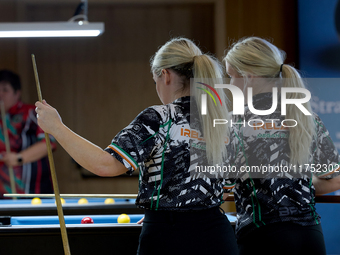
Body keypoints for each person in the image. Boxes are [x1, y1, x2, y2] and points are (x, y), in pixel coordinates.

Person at [35, 37, 239, 255]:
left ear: (166, 75)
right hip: (218, 237)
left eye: (155, 81)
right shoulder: (222, 122)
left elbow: (106, 165)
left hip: (168, 240)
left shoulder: (159, 117)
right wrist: (166, 209)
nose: (157, 89)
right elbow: (227, 189)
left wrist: (57, 127)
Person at [222, 37, 340, 255]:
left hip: (262, 237)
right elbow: (334, 180)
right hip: (311, 236)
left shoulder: (232, 122)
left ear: (249, 76)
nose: (229, 84)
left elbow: (219, 187)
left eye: (231, 76)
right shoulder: (306, 117)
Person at [0, 69, 56, 198]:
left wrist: (19, 158)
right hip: (4, 195)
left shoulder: (32, 113)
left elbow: (49, 143)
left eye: (5, 90)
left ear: (17, 93)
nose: (0, 94)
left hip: (33, 192)